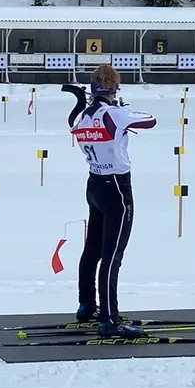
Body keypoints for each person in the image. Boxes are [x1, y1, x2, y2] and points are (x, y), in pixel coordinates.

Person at [64, 64, 157, 337]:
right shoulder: (114, 113)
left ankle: (87, 305)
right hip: (117, 188)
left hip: (94, 183)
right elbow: (151, 120)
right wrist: (124, 112)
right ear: (113, 88)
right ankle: (109, 319)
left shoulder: (84, 115)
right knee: (112, 256)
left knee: (92, 249)